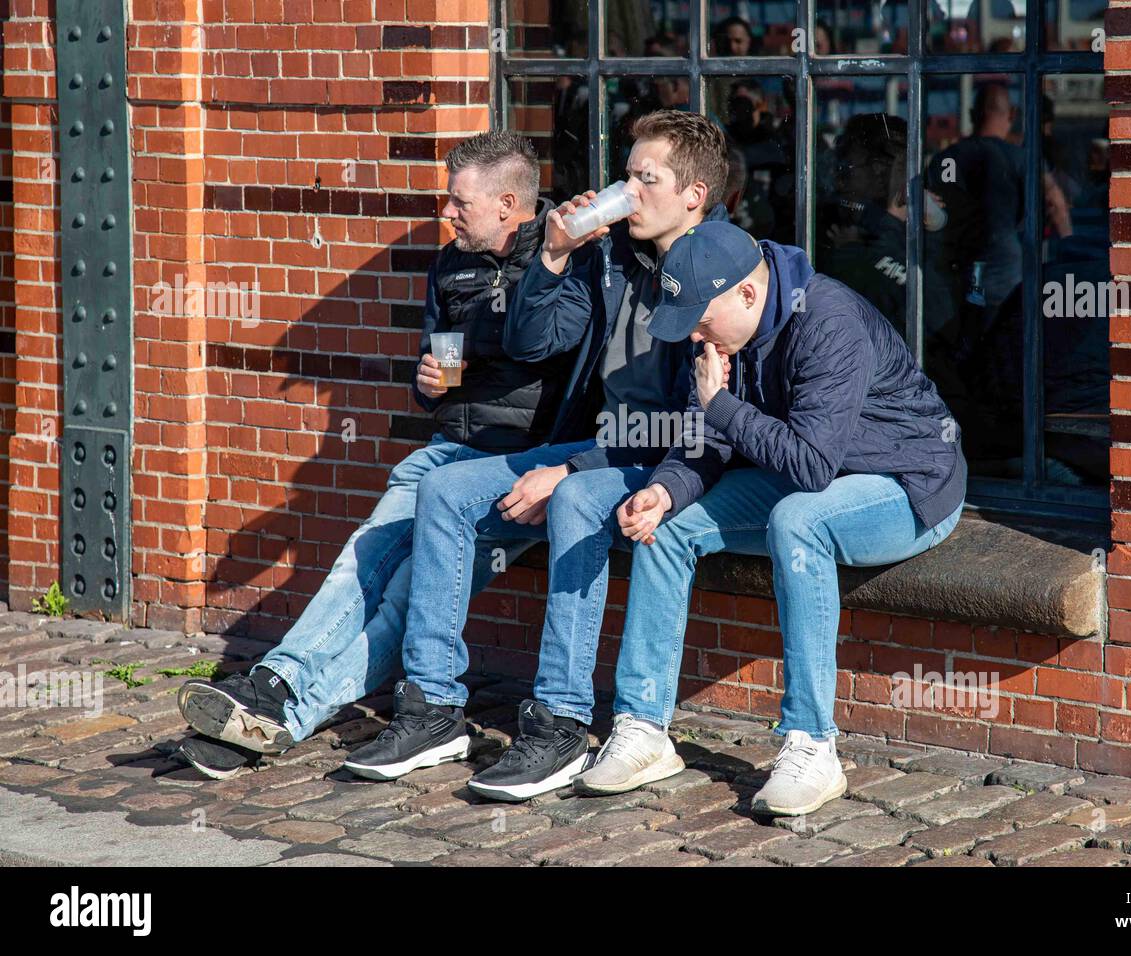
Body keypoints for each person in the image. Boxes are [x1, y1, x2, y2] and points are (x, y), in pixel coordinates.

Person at [339, 111, 735, 802]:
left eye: (648, 178)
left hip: (670, 458)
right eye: (629, 174)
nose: (630, 190)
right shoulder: (610, 258)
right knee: (444, 491)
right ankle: (431, 707)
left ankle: (560, 722)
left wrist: (573, 469)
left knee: (578, 497)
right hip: (598, 444)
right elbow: (531, 341)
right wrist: (553, 257)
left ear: (693, 195)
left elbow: (695, 426)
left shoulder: (723, 266)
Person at [173, 132, 573, 779]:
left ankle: (279, 710)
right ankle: (274, 689)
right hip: (447, 451)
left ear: (507, 205)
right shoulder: (451, 265)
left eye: (458, 204)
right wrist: (431, 382)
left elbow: (552, 354)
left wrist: (485, 359)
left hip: (516, 470)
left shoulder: (560, 262)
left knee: (410, 599)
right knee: (365, 554)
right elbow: (438, 361)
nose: (446, 214)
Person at [572, 220, 967, 816]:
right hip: (815, 477)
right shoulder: (719, 337)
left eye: (702, 320)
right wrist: (665, 491)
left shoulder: (827, 321)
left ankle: (812, 743)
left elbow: (808, 464)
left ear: (748, 295)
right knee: (669, 526)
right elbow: (705, 438)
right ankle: (644, 727)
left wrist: (721, 404)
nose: (695, 336)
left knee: (796, 520)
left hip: (908, 484)